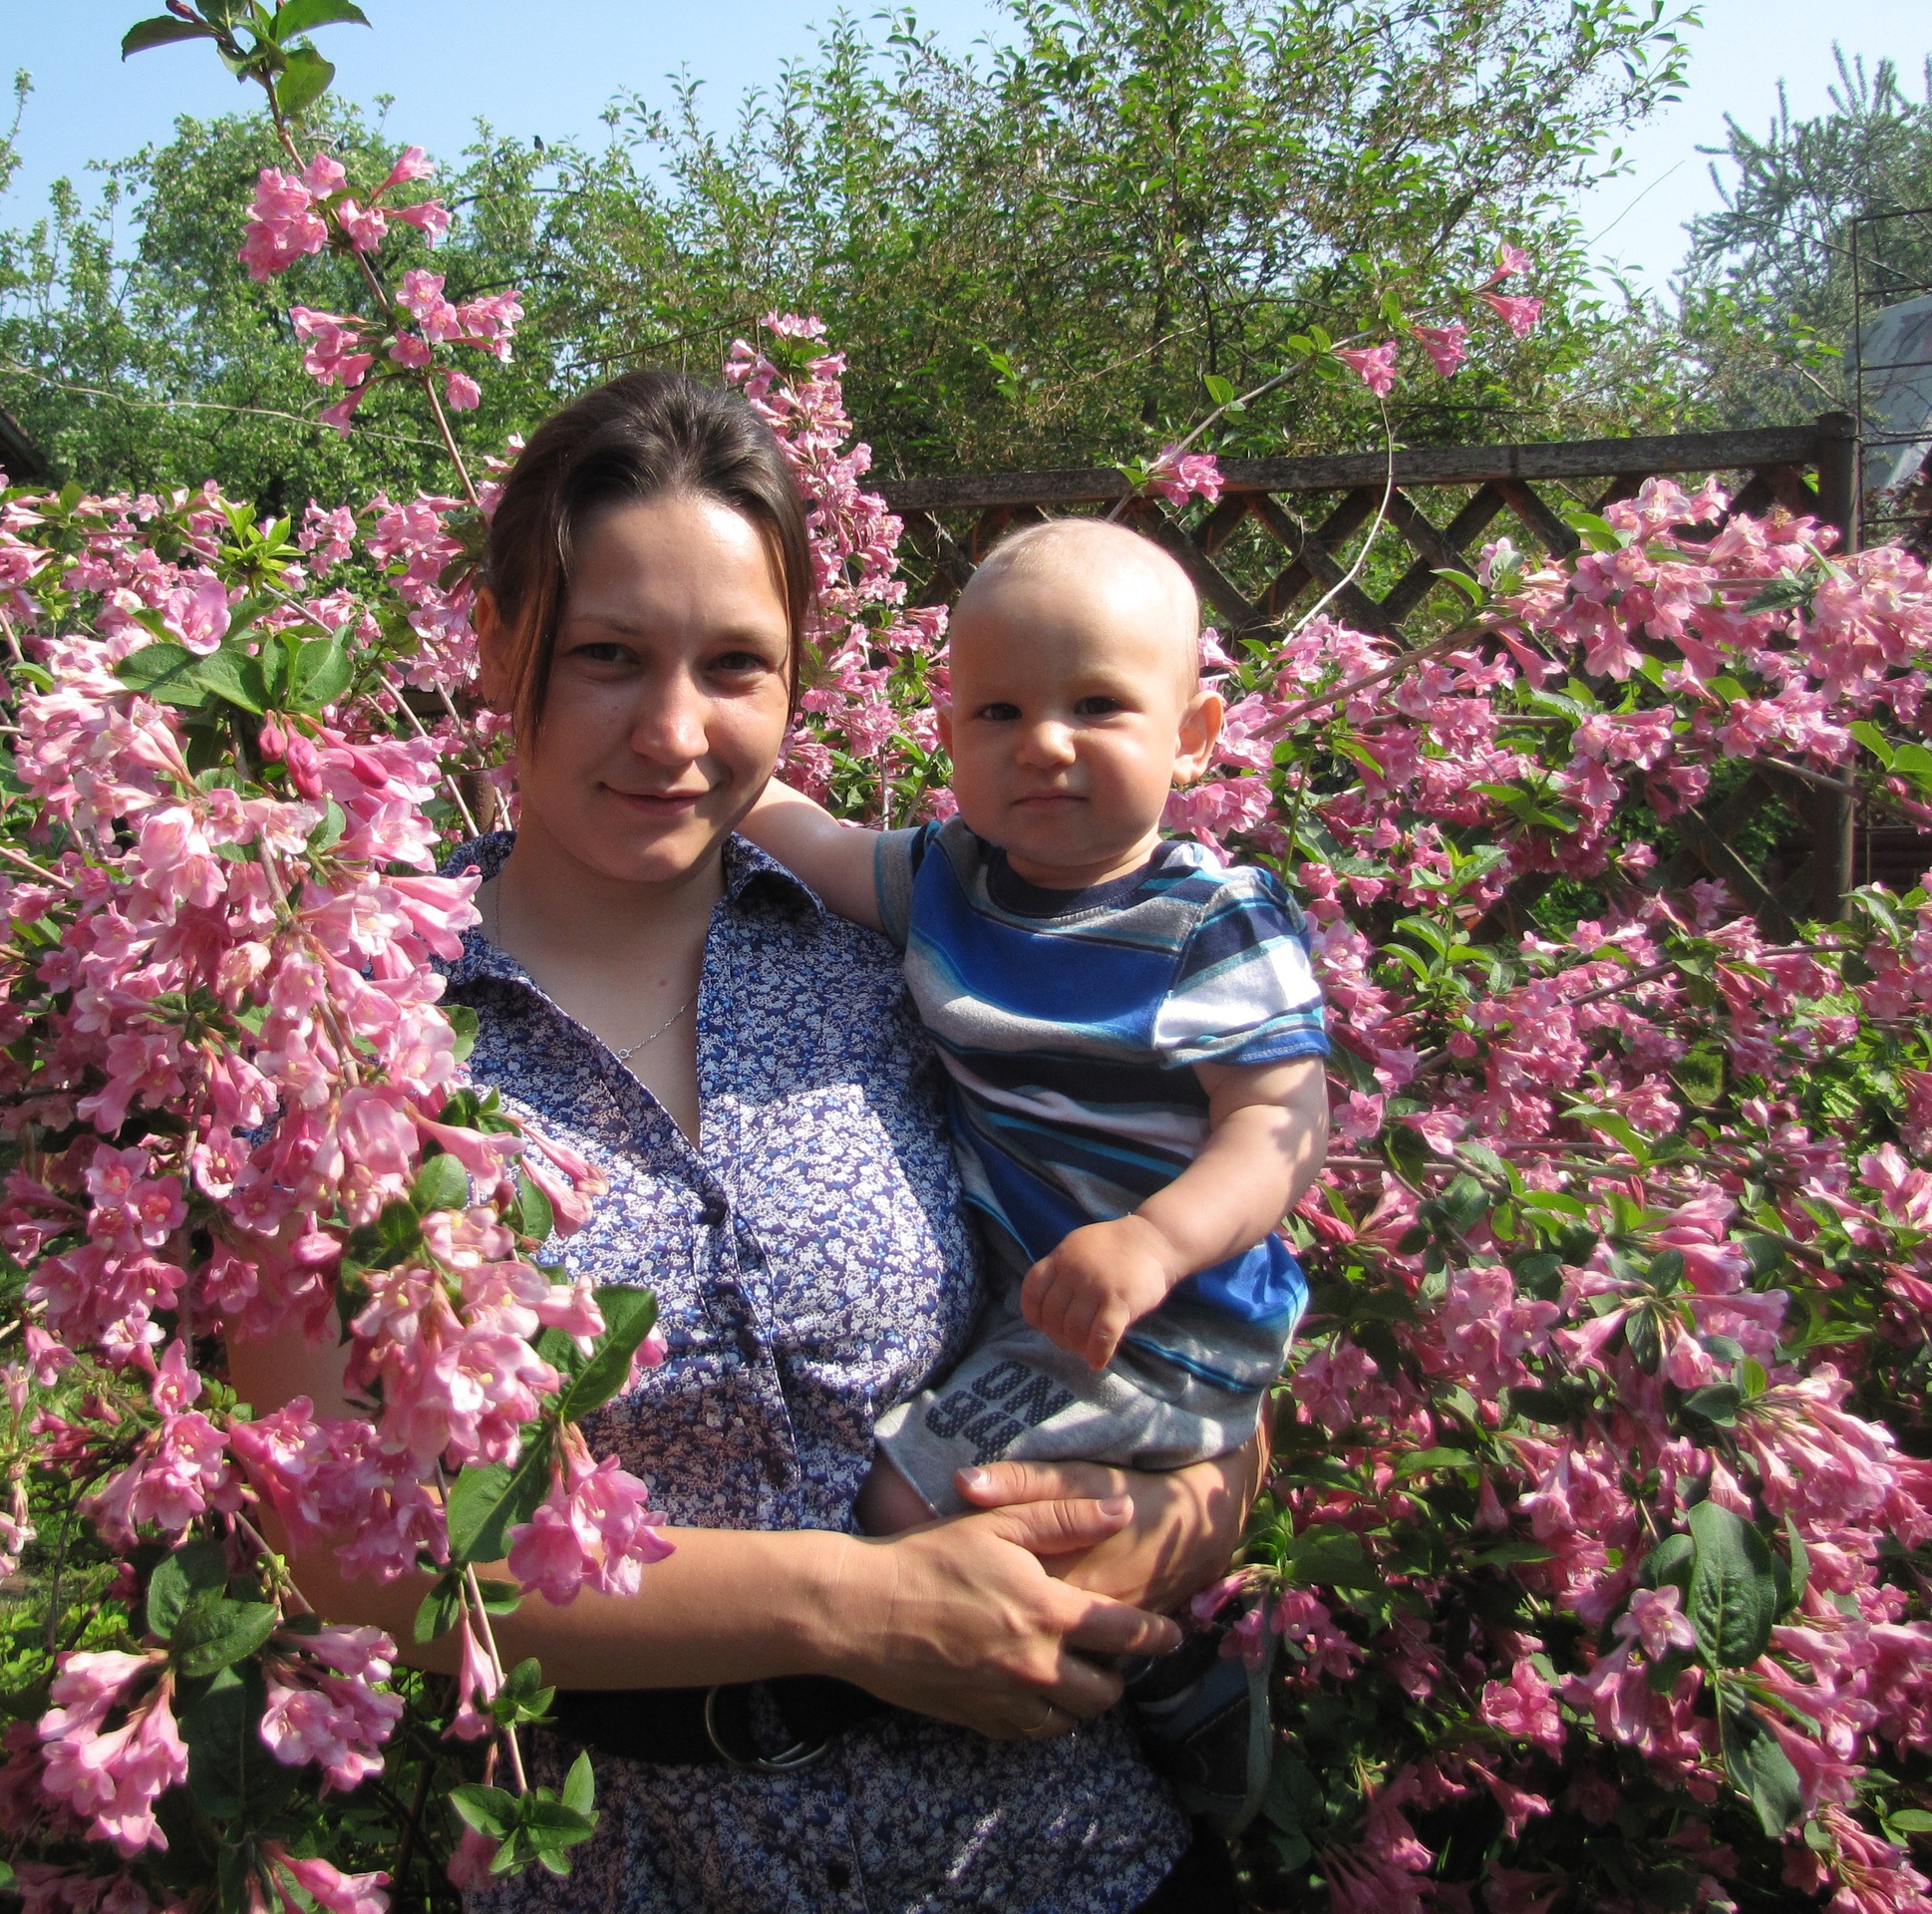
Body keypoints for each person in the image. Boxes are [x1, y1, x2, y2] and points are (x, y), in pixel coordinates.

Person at [225, 370, 1264, 1911]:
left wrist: (1145, 1538)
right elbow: (340, 1548)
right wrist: (847, 1606)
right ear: (500, 645)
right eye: (607, 656)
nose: (673, 731)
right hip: (650, 1862)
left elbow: (1207, 1365)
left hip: (1072, 1852)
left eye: (735, 667)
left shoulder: (904, 963)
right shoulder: (349, 1026)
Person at [738, 522, 1328, 1814]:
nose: (1044, 744)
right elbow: (816, 843)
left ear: (1195, 734)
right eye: (999, 712)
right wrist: (722, 765)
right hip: (1040, 1310)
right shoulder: (947, 881)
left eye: (1098, 707)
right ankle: (1168, 1658)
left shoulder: (1211, 918)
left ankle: (1174, 1673)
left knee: (910, 1508)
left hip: (1165, 1323)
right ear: (951, 736)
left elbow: (1280, 1127)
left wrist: (1154, 1244)